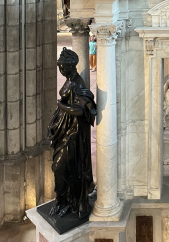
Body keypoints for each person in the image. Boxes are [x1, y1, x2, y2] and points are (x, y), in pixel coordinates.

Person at [45, 48, 97, 219]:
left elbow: (83, 110)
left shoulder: (77, 83)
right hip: (64, 129)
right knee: (60, 168)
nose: (60, 70)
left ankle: (72, 200)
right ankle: (62, 200)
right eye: (60, 67)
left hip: (73, 134)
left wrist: (61, 105)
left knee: (61, 167)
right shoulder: (69, 80)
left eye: (63, 67)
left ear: (71, 66)